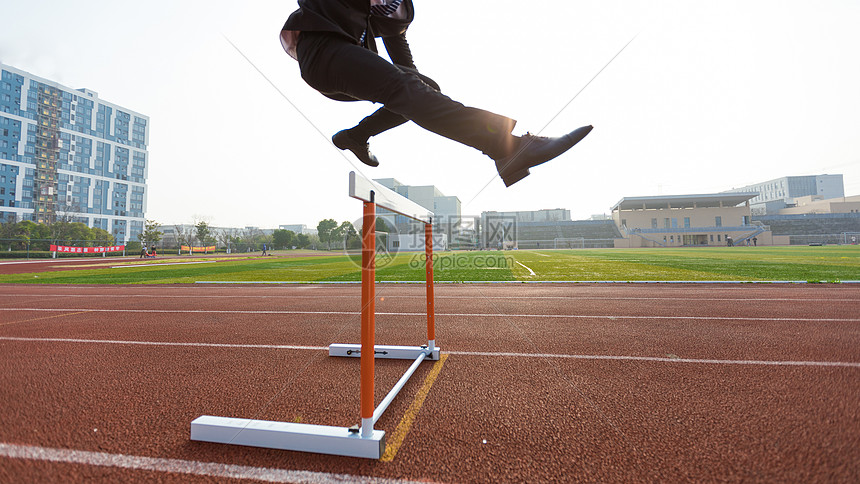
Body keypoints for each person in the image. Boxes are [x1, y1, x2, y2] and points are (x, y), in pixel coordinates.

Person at [280, 0, 593, 187]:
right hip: (323, 50)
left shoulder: (398, 9)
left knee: (422, 89)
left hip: (347, 60)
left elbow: (404, 65)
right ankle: (506, 147)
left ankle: (356, 136)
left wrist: (422, 89)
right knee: (407, 89)